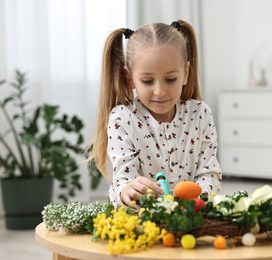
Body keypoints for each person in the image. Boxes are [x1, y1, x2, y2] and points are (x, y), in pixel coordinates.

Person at [89, 20, 222, 208]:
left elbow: (210, 174)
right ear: (130, 78)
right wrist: (128, 191)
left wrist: (191, 203)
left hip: (192, 217)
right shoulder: (122, 119)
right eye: (148, 81)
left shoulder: (200, 114)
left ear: (185, 73)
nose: (159, 91)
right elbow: (123, 180)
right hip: (141, 219)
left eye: (170, 79)